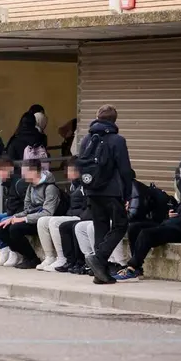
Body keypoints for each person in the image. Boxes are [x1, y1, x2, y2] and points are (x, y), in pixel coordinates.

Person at [80, 104, 133, 285]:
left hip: (92, 190)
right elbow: (125, 170)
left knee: (100, 227)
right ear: (114, 120)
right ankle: (99, 258)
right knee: (120, 225)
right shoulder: (117, 140)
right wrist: (127, 194)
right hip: (112, 192)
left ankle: (99, 274)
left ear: (97, 117)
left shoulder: (86, 139)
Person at [0, 159, 61, 269]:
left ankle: (32, 258)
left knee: (15, 229)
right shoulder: (31, 187)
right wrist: (14, 217)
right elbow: (27, 209)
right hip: (33, 218)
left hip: (43, 221)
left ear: (34, 171)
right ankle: (25, 256)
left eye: (25, 172)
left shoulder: (50, 188)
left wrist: (24, 219)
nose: (22, 175)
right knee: (1, 229)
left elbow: (48, 212)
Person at [114, 198, 181, 281]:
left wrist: (179, 219)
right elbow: (173, 213)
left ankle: (132, 268)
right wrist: (169, 214)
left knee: (146, 233)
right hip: (170, 224)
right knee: (134, 228)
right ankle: (137, 269)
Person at [37, 160, 90, 272]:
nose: (67, 173)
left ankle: (63, 258)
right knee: (42, 221)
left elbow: (85, 206)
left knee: (55, 223)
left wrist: (74, 214)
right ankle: (50, 257)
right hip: (72, 214)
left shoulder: (84, 185)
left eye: (70, 170)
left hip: (80, 216)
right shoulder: (73, 185)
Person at [0, 157, 28, 266]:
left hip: (20, 214)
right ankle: (3, 248)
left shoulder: (19, 182)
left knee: (3, 220)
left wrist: (15, 216)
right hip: (11, 213)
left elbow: (27, 205)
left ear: (10, 169)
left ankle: (14, 251)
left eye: (2, 170)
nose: (0, 174)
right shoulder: (7, 184)